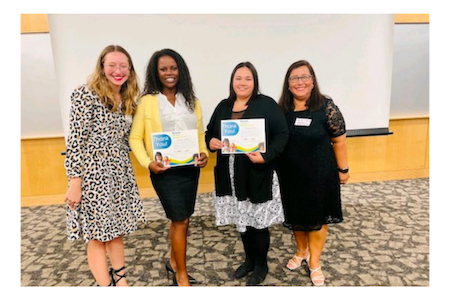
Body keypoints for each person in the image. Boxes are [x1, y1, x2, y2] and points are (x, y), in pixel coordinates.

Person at [64, 45, 146, 286]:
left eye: (123, 66)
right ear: (102, 67)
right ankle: (106, 287)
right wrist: (75, 182)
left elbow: (130, 138)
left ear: (130, 70)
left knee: (116, 230)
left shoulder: (129, 98)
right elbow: (75, 141)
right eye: (112, 65)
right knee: (97, 236)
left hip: (119, 171)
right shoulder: (85, 94)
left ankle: (121, 282)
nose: (117, 70)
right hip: (93, 174)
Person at [129, 48, 208, 286]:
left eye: (173, 68)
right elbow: (135, 138)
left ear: (180, 70)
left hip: (189, 169)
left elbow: (200, 135)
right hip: (164, 171)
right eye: (163, 69)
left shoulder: (192, 101)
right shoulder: (147, 102)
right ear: (156, 72)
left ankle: (174, 263)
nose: (169, 73)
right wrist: (147, 163)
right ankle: (181, 274)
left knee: (183, 218)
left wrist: (203, 153)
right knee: (180, 218)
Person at [205, 62, 288, 286]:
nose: (243, 83)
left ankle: (261, 265)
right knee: (242, 220)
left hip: (256, 171)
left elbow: (282, 135)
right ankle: (249, 260)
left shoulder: (266, 104)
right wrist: (211, 142)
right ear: (232, 81)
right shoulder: (223, 106)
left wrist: (266, 156)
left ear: (255, 82)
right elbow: (209, 133)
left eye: (248, 79)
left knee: (257, 223)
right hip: (230, 173)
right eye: (238, 78)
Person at [277, 60, 349, 286]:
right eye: (294, 78)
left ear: (312, 80)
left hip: (320, 174)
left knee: (317, 219)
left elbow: (339, 140)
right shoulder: (282, 110)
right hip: (290, 175)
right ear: (288, 84)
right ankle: (301, 251)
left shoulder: (326, 107)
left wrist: (343, 169)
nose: (299, 82)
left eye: (304, 77)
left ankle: (315, 262)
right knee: (296, 217)